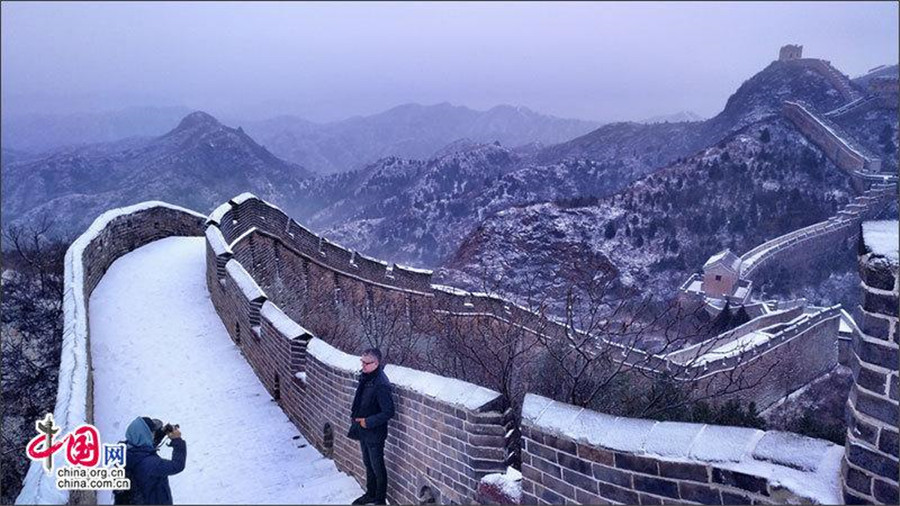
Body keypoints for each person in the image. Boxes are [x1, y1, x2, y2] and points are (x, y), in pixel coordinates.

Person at [348, 348, 395, 505]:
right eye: (362, 362)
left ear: (376, 363)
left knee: (377, 466)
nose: (363, 365)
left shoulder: (381, 384)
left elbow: (388, 412)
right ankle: (371, 493)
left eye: (366, 363)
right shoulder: (367, 377)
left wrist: (368, 422)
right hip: (363, 429)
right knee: (368, 463)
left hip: (374, 432)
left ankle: (380, 499)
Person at [122, 417, 186, 505]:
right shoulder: (151, 464)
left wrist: (162, 432)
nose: (153, 435)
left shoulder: (127, 450)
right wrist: (177, 441)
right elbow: (177, 465)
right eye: (153, 432)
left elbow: (144, 448)